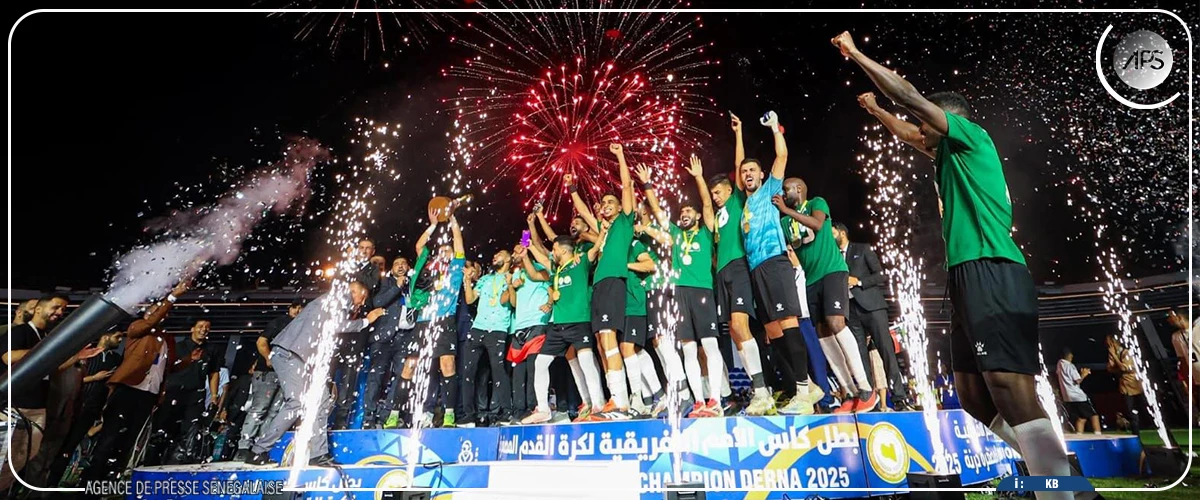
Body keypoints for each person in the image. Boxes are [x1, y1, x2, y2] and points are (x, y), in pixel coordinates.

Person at [835, 30, 1073, 497]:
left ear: (948, 121)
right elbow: (908, 130)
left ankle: (1062, 489)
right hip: (966, 275)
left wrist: (857, 54)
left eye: (927, 127)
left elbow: (909, 98)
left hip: (993, 267)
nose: (920, 136)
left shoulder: (972, 137)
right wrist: (876, 112)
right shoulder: (948, 154)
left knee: (1008, 384)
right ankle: (1054, 469)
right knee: (972, 394)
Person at [244, 281, 385, 466]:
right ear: (353, 291)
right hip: (290, 354)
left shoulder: (332, 302)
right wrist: (367, 320)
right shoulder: (341, 297)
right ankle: (258, 451)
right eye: (362, 297)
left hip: (302, 359)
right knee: (297, 403)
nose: (362, 302)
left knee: (322, 401)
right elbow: (338, 325)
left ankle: (317, 454)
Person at [731, 109, 816, 416]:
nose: (747, 174)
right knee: (772, 330)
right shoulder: (744, 204)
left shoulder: (770, 190)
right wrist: (737, 135)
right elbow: (736, 166)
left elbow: (782, 155)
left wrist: (775, 128)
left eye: (752, 170)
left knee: (788, 323)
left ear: (762, 175)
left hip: (775, 262)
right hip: (757, 270)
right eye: (744, 172)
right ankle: (805, 385)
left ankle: (804, 394)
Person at [775, 177, 876, 413]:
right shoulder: (785, 222)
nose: (783, 193)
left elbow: (818, 224)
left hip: (832, 271)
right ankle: (848, 391)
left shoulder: (816, 203)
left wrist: (786, 210)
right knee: (822, 333)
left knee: (836, 322)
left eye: (786, 189)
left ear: (798, 188)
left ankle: (866, 388)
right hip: (811, 280)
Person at [638, 155, 728, 418]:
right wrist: (647, 185)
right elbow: (658, 213)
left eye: (689, 211)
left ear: (698, 216)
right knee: (688, 348)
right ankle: (698, 401)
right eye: (682, 212)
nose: (684, 214)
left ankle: (715, 400)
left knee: (709, 345)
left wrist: (699, 177)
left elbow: (708, 205)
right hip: (679, 294)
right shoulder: (677, 235)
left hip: (703, 293)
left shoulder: (706, 232)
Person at [82, 280, 198, 482]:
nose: (161, 314)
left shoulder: (167, 339)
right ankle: (90, 482)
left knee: (129, 439)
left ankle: (111, 481)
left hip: (149, 395)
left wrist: (188, 360)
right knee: (110, 436)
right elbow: (151, 322)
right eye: (156, 311)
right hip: (128, 388)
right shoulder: (137, 328)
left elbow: (168, 367)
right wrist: (173, 296)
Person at [709, 114, 775, 416]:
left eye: (718, 191)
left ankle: (763, 392)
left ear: (729, 189)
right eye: (712, 193)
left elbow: (738, 167)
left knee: (740, 326)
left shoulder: (737, 201)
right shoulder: (717, 216)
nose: (715, 196)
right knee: (735, 334)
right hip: (722, 273)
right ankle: (757, 390)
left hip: (738, 268)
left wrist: (738, 133)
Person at [567, 143, 638, 418]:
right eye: (604, 203)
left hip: (613, 283)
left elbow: (627, 186)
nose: (606, 206)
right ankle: (613, 398)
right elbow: (584, 211)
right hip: (598, 286)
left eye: (611, 203)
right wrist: (573, 188)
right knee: (599, 341)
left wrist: (620, 155)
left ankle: (621, 401)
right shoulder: (603, 231)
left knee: (609, 338)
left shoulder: (624, 223)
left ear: (620, 208)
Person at [1, 294, 92, 491]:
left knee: (27, 454)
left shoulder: (45, 337)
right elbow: (8, 357)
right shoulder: (20, 331)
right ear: (38, 309)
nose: (59, 312)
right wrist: (46, 350)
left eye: (63, 309)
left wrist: (77, 356)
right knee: (6, 454)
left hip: (39, 405)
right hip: (16, 404)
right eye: (56, 307)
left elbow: (53, 368)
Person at [390, 210, 467, 429]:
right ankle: (394, 414)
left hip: (444, 321)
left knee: (447, 364)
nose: (444, 252)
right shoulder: (427, 271)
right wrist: (433, 225)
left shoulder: (455, 270)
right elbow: (419, 246)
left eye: (448, 250)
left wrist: (453, 221)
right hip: (423, 322)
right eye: (441, 250)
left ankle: (449, 414)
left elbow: (459, 245)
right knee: (409, 366)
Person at [520, 234, 605, 424]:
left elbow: (596, 248)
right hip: (558, 326)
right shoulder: (556, 270)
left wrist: (602, 231)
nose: (552, 252)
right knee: (540, 363)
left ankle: (597, 405)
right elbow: (541, 263)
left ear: (564, 249)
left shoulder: (580, 262)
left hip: (579, 322)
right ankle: (543, 409)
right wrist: (528, 247)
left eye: (555, 248)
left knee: (586, 362)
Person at [834, 222, 909, 409]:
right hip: (850, 310)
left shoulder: (862, 249)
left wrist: (859, 281)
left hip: (872, 307)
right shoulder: (832, 256)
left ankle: (899, 397)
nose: (829, 237)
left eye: (831, 232)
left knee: (886, 351)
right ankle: (869, 399)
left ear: (842, 233)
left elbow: (880, 274)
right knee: (859, 356)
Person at [45, 329, 124, 485]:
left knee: (70, 446)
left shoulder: (115, 359)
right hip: (72, 405)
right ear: (105, 336)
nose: (120, 340)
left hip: (92, 409)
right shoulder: (86, 354)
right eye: (117, 336)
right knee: (54, 443)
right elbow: (69, 378)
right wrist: (94, 378)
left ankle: (52, 484)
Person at [231, 300, 303, 461]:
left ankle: (258, 448)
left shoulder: (301, 326)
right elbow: (261, 341)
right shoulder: (280, 322)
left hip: (285, 374)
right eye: (295, 307)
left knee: (274, 412)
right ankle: (244, 447)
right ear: (289, 308)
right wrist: (269, 359)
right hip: (268, 372)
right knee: (260, 408)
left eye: (301, 308)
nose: (298, 311)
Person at [144, 319, 222, 465]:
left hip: (196, 394)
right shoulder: (178, 347)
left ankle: (183, 461)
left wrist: (214, 396)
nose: (204, 329)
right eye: (200, 326)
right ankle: (153, 460)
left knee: (191, 429)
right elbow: (166, 369)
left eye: (207, 327)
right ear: (192, 329)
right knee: (164, 427)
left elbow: (214, 373)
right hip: (173, 392)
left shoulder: (212, 350)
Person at [461, 250, 516, 427]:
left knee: (498, 371)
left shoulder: (513, 276)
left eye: (499, 254)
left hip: (498, 329)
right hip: (478, 328)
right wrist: (467, 281)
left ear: (508, 259)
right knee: (468, 371)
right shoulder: (485, 279)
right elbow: (470, 299)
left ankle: (506, 413)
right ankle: (469, 415)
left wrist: (510, 285)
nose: (494, 256)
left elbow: (508, 301)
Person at [333, 238, 383, 428]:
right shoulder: (345, 266)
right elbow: (337, 283)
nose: (363, 251)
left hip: (360, 325)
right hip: (339, 323)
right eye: (361, 248)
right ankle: (320, 413)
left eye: (368, 248)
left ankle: (341, 419)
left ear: (373, 251)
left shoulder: (373, 270)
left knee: (350, 373)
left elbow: (369, 286)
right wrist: (349, 262)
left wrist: (354, 264)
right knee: (328, 369)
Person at [361, 258, 412, 429]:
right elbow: (378, 302)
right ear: (392, 268)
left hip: (405, 336)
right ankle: (369, 416)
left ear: (409, 267)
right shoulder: (384, 282)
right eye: (397, 263)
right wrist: (397, 286)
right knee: (376, 377)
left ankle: (388, 414)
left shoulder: (413, 284)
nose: (400, 266)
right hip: (383, 338)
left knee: (401, 376)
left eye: (404, 263)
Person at [507, 239, 552, 423]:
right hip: (520, 326)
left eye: (518, 250)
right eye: (514, 252)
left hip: (537, 323)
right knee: (518, 372)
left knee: (535, 369)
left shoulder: (538, 267)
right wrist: (511, 286)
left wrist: (549, 304)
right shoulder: (516, 274)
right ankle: (519, 410)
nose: (515, 254)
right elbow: (514, 303)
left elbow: (551, 287)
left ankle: (536, 407)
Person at [1106, 333, 1149, 436]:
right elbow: (1110, 368)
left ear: (1113, 341)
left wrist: (1115, 358)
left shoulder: (1126, 353)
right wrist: (1112, 357)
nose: (1106, 343)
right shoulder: (1113, 353)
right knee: (1130, 411)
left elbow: (1124, 368)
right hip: (1125, 387)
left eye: (1108, 340)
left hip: (1135, 384)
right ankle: (1135, 433)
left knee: (1142, 408)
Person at [1056, 348, 1100, 435]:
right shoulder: (1070, 366)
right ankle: (1098, 434)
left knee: (1081, 417)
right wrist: (1084, 374)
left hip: (1068, 396)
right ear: (1070, 356)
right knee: (1094, 416)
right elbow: (1077, 380)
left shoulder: (1059, 364)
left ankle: (1079, 435)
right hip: (1078, 396)